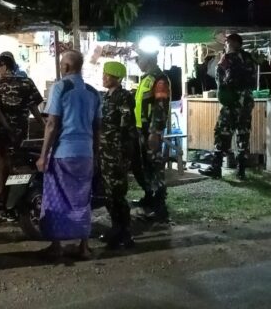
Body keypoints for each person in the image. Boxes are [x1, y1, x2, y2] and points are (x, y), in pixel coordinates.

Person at [35, 50, 101, 260]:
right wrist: (95, 155)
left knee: (55, 199)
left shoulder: (60, 87)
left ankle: (56, 246)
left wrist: (43, 155)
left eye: (62, 64)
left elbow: (52, 124)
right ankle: (84, 247)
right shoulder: (93, 92)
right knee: (82, 199)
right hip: (85, 154)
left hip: (63, 153)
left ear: (66, 66)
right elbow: (97, 128)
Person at [0, 54, 45, 205]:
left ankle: (1, 195)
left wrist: (7, 126)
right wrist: (43, 125)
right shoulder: (27, 82)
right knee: (17, 164)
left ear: (4, 66)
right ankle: (14, 199)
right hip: (19, 130)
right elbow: (33, 106)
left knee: (2, 165)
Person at [200, 33, 257, 180]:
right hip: (246, 103)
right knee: (243, 134)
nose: (225, 46)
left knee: (222, 132)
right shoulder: (248, 58)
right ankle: (241, 171)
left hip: (232, 102)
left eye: (226, 43)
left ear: (231, 43)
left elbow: (221, 80)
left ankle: (216, 167)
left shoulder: (227, 59)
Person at [98, 61, 136, 249]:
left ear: (117, 78)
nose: (104, 78)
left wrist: (123, 153)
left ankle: (125, 232)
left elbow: (126, 125)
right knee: (108, 193)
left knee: (117, 193)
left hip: (117, 151)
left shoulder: (123, 97)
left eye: (108, 75)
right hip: (104, 151)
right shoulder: (105, 96)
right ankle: (116, 228)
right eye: (104, 74)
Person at [131, 48, 171, 222]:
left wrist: (155, 132)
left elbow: (160, 107)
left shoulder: (159, 80)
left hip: (151, 131)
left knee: (155, 166)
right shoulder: (146, 78)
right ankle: (149, 197)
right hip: (141, 129)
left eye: (138, 59)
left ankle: (160, 207)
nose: (137, 62)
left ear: (147, 60)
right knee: (144, 166)